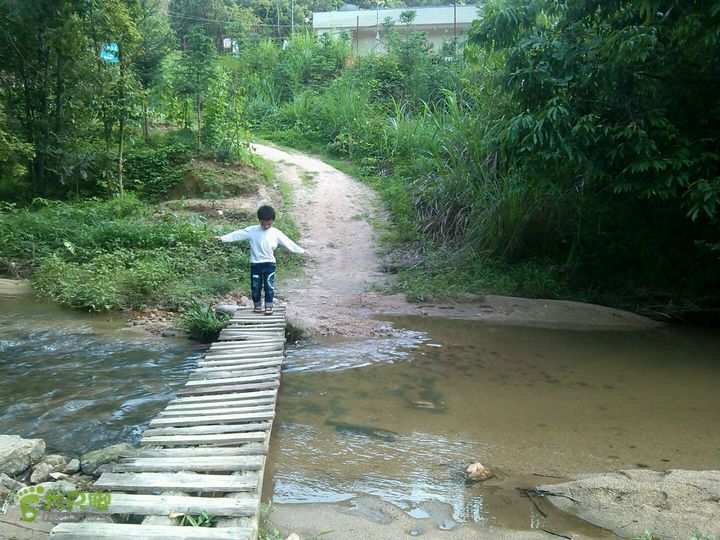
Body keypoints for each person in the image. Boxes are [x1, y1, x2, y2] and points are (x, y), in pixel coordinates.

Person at [215, 205, 305, 315]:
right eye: (263, 223)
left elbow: (288, 242)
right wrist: (223, 238)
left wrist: (301, 251)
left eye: (269, 224)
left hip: (270, 264)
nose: (266, 226)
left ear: (272, 221)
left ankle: (268, 306)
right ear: (259, 220)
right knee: (255, 286)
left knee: (269, 286)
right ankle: (257, 305)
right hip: (256, 264)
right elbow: (238, 234)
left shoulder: (275, 233)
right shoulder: (252, 231)